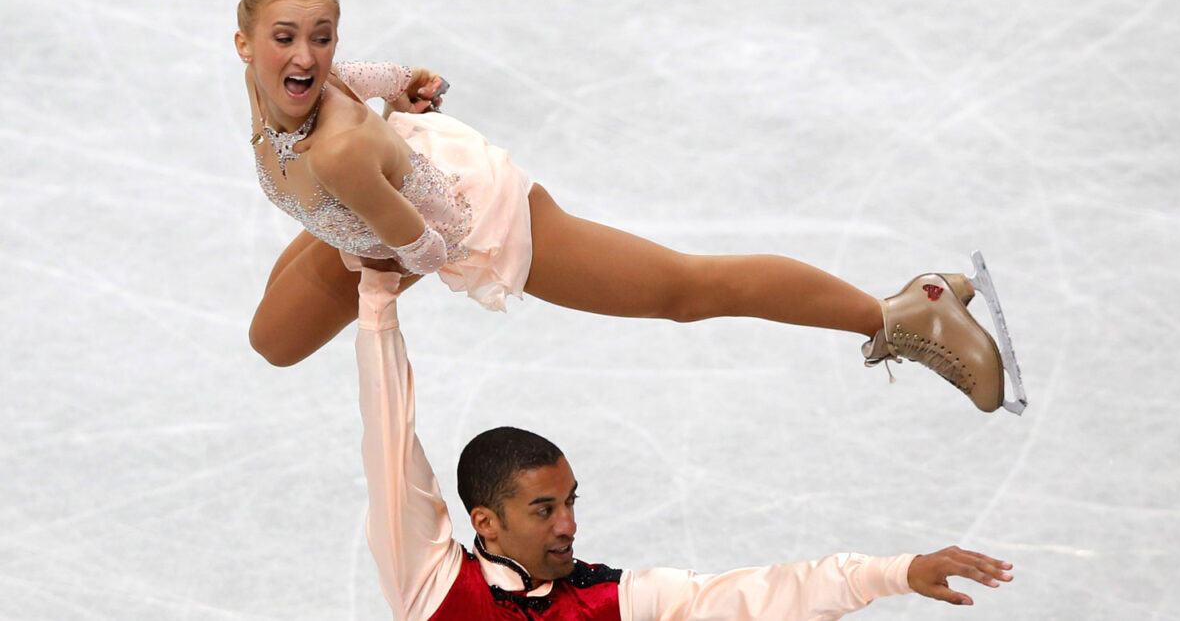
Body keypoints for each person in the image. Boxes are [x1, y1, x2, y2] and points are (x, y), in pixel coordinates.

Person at [235, 0, 1025, 414]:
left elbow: (429, 242)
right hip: (376, 192)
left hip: (468, 213)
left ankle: (901, 311)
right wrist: (402, 85)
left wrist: (384, 254)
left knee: (681, 289)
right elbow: (363, 74)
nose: (306, 56)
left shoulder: (336, 149)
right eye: (286, 39)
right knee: (273, 337)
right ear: (243, 44)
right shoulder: (299, 84)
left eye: (321, 39)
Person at [352, 263, 1014, 620]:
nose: (570, 525)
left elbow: (762, 597)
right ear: (485, 523)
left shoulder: (610, 602)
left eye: (570, 501)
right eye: (545, 508)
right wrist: (378, 303)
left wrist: (896, 573)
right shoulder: (433, 588)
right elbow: (390, 441)